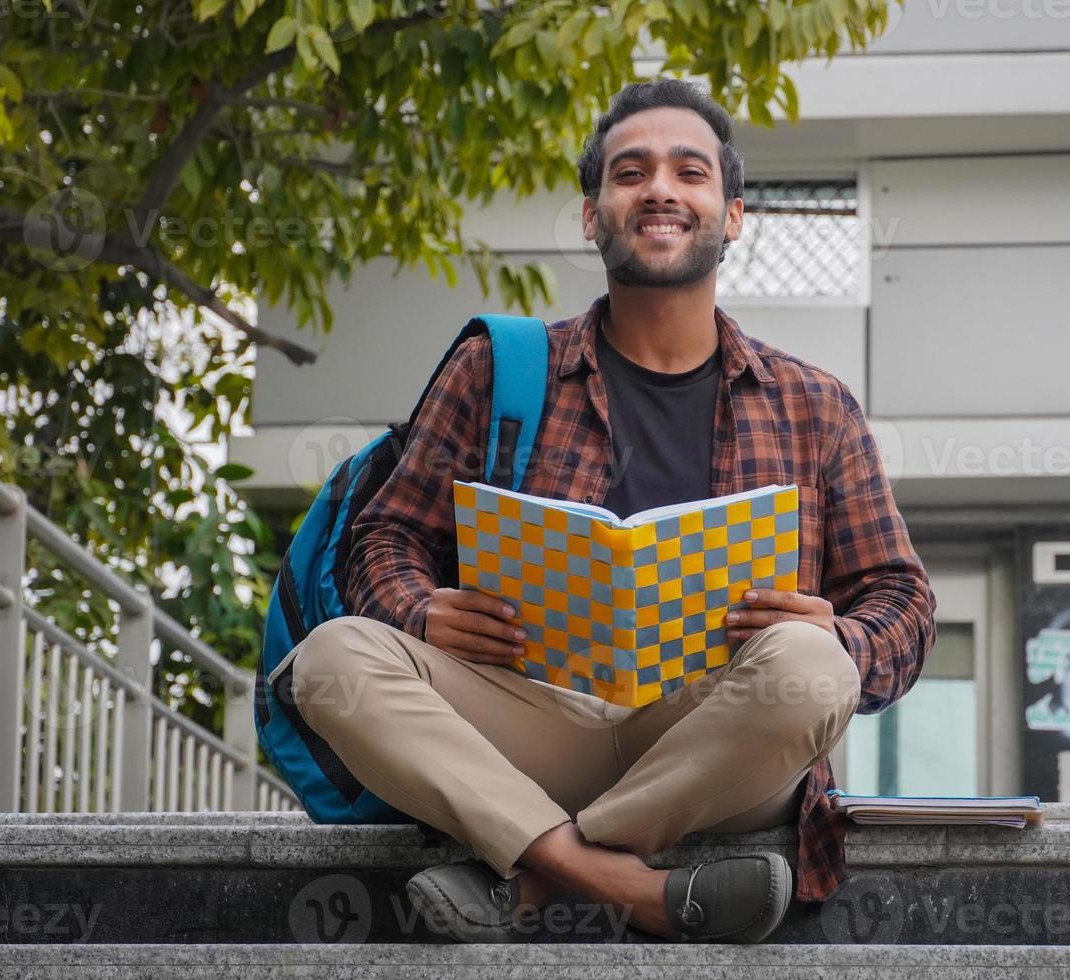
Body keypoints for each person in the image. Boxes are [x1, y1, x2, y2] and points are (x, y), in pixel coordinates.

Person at [290, 77, 936, 945]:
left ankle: (537, 869)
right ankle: (622, 882)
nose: (660, 188)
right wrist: (419, 607)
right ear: (593, 214)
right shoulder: (499, 371)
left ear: (732, 213)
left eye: (689, 172)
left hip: (717, 736)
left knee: (812, 669)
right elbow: (384, 537)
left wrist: (839, 633)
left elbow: (903, 600)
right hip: (532, 718)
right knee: (332, 658)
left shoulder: (815, 405)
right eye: (631, 172)